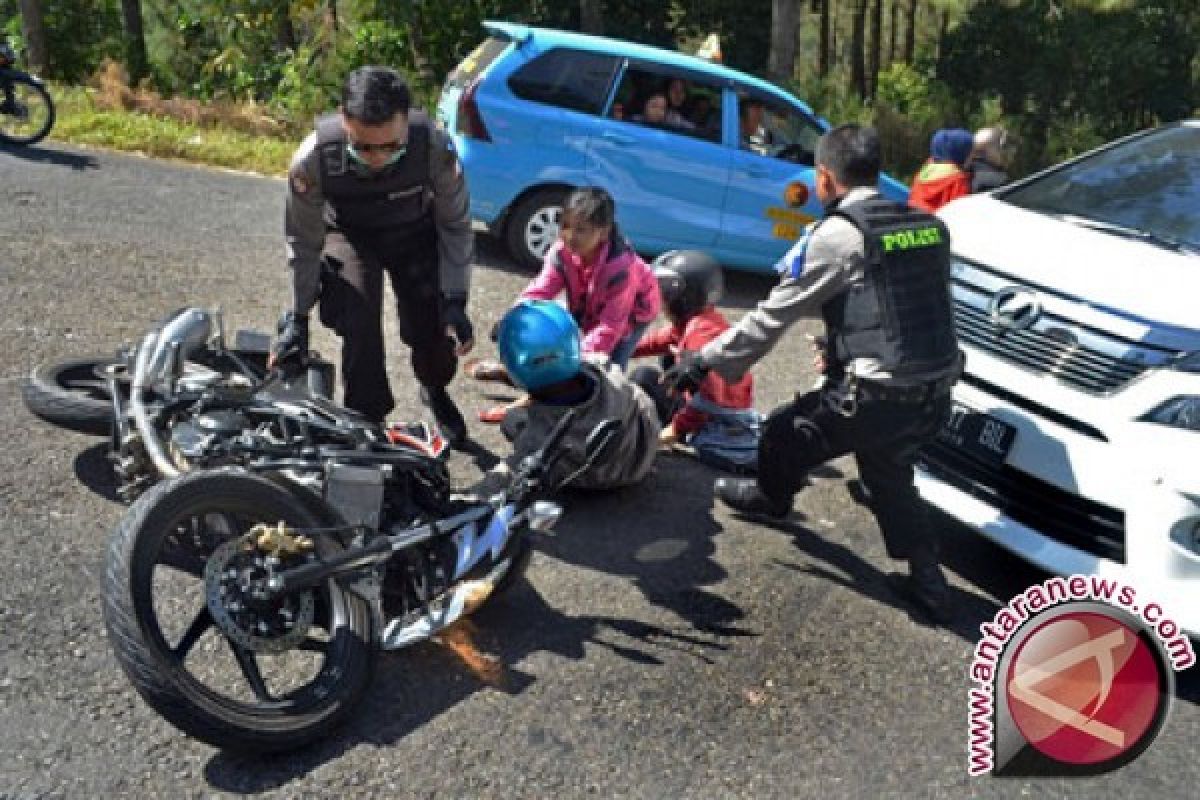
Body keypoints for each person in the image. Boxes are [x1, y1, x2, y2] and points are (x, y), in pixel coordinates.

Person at [662, 124, 963, 623]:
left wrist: (702, 362)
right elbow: (899, 309)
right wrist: (841, 345)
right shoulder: (926, 224)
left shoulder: (840, 234)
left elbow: (770, 318)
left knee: (783, 431)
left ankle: (771, 498)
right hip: (934, 392)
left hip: (878, 396)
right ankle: (928, 582)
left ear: (825, 177)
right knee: (888, 469)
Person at [270, 66, 475, 445]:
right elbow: (303, 239)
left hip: (414, 230)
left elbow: (455, 227)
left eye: (390, 146)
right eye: (363, 146)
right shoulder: (313, 159)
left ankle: (434, 389)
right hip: (349, 233)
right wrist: (298, 316)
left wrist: (456, 298)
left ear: (405, 126)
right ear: (343, 118)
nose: (378, 157)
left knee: (433, 323)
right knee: (358, 312)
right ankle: (367, 417)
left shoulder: (434, 148)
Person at [469, 187, 660, 421]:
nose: (570, 235)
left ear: (603, 232)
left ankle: (598, 420)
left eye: (581, 230)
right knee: (564, 353)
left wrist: (578, 361)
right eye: (565, 226)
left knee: (607, 373)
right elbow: (541, 289)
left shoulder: (621, 268)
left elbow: (610, 327)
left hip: (630, 316)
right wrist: (514, 317)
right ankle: (525, 381)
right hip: (589, 305)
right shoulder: (561, 251)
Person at [475, 300, 660, 494]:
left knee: (511, 421)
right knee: (642, 380)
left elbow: (501, 478)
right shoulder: (606, 370)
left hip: (591, 482)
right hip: (638, 460)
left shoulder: (534, 438)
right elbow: (559, 365)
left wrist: (469, 496)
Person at [630, 250, 761, 474]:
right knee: (667, 359)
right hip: (718, 407)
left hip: (714, 419)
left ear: (684, 297)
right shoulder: (701, 321)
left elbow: (709, 401)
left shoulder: (698, 335)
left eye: (665, 294)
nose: (661, 301)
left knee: (642, 378)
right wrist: (612, 350)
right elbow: (656, 341)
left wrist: (673, 431)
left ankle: (646, 435)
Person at [907, 127, 974, 212]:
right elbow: (960, 212)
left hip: (918, 219)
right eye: (971, 152)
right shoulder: (957, 181)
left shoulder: (924, 171)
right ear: (961, 154)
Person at [969, 126, 1013, 192]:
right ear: (982, 151)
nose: (1006, 151)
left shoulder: (972, 169)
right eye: (1002, 147)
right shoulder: (993, 180)